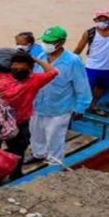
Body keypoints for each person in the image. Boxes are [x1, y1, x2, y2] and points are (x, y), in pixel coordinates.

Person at [0, 50, 58, 179]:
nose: (18, 70)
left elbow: (53, 72)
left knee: (17, 150)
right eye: (15, 67)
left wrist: (35, 59)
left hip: (18, 122)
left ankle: (13, 175)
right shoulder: (2, 74)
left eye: (22, 67)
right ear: (11, 66)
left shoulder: (35, 79)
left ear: (30, 68)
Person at [30, 26, 92, 162]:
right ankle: (38, 155)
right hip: (38, 106)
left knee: (55, 137)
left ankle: (54, 161)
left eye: (50, 42)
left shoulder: (73, 61)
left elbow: (82, 86)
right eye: (44, 40)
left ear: (62, 42)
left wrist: (80, 108)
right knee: (36, 134)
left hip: (59, 108)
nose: (46, 44)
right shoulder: (41, 56)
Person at [73, 9, 109, 116]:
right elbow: (79, 48)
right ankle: (78, 108)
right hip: (91, 66)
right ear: (95, 20)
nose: (102, 21)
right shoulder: (89, 33)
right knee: (86, 87)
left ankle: (93, 105)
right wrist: (70, 61)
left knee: (102, 87)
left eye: (105, 19)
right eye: (99, 19)